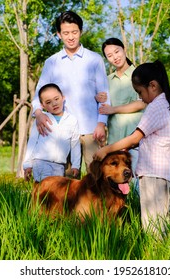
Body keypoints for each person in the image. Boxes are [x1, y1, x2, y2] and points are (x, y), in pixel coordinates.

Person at [93, 60, 170, 235]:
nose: (141, 98)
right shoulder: (167, 105)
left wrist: (106, 149)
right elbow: (143, 138)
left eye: (140, 93)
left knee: (152, 224)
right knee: (162, 219)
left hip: (154, 172)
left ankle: (154, 257)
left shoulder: (156, 106)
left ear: (153, 86)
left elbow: (135, 137)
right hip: (167, 173)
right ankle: (163, 253)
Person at [32, 11, 110, 173]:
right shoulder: (52, 62)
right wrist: (38, 113)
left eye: (74, 32)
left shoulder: (94, 59)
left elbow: (104, 95)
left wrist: (101, 123)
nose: (71, 37)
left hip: (91, 131)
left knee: (95, 179)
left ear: (80, 31)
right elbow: (39, 92)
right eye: (66, 33)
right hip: (63, 131)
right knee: (66, 183)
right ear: (59, 35)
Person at [96, 38, 146, 188]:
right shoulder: (107, 80)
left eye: (117, 51)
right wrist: (97, 98)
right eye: (109, 56)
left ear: (124, 49)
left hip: (135, 143)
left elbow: (142, 102)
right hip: (114, 143)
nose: (115, 57)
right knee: (118, 190)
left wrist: (114, 109)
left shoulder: (139, 74)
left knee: (137, 188)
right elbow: (103, 107)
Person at [23, 83, 81, 182]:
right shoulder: (41, 119)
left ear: (63, 98)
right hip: (41, 163)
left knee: (56, 193)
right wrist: (27, 164)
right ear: (42, 105)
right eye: (48, 102)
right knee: (43, 191)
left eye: (56, 99)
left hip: (59, 165)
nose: (54, 104)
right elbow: (32, 142)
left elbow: (75, 144)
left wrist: (75, 165)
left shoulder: (72, 120)